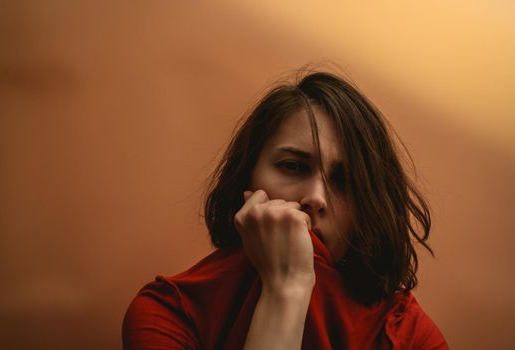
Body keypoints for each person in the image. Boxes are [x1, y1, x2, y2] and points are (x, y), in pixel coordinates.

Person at [122, 71, 449, 349]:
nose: (316, 198)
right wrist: (285, 291)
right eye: (292, 166)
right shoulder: (168, 316)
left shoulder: (410, 337)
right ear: (247, 178)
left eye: (344, 181)